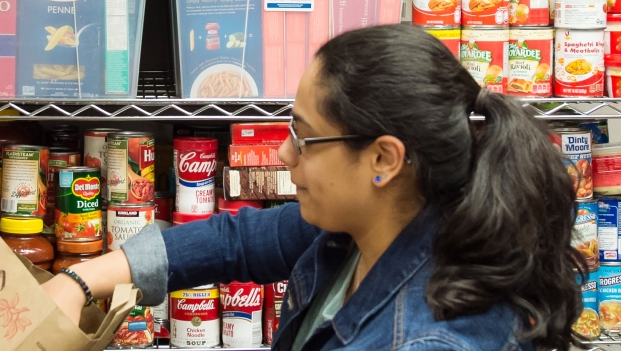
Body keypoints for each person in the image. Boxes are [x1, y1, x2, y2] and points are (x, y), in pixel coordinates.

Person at [43, 24, 589, 351]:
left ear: (383, 159)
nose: (283, 154)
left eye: (303, 137)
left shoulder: (429, 341)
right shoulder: (368, 230)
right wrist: (81, 280)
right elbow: (238, 241)